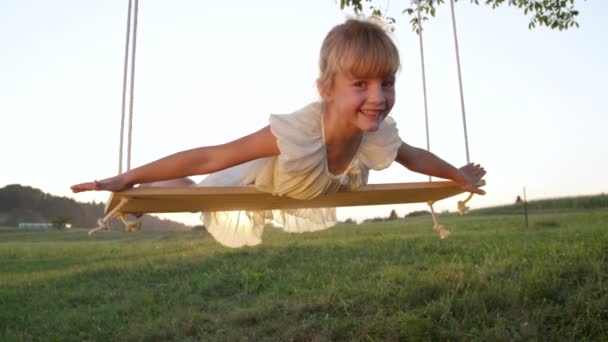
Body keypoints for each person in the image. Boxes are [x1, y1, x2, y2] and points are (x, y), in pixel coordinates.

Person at [72, 18, 486, 247]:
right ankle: (148, 187)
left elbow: (414, 157)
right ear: (327, 89)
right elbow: (212, 156)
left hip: (301, 188)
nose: (377, 97)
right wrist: (127, 178)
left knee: (204, 198)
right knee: (202, 194)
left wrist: (457, 175)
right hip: (256, 174)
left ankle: (153, 189)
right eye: (360, 84)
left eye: (387, 82)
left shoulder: (377, 134)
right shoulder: (298, 133)